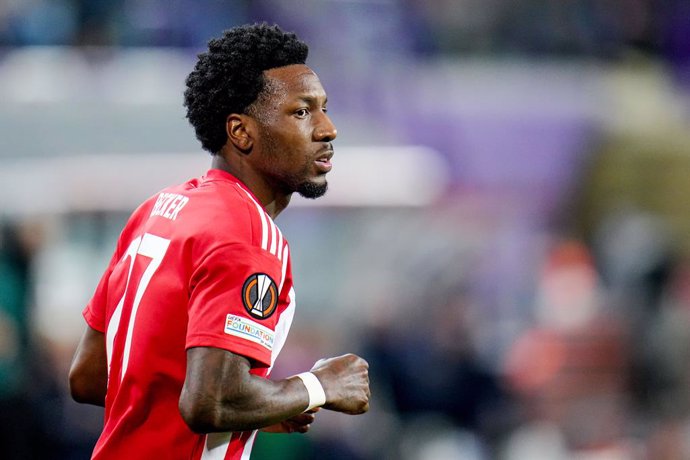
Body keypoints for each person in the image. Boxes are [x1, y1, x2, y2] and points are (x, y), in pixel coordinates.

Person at [68, 23, 370, 460]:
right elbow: (210, 401)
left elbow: (91, 376)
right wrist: (316, 387)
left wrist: (261, 407)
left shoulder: (159, 209)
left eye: (323, 108)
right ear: (241, 132)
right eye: (302, 112)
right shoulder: (247, 234)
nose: (328, 129)